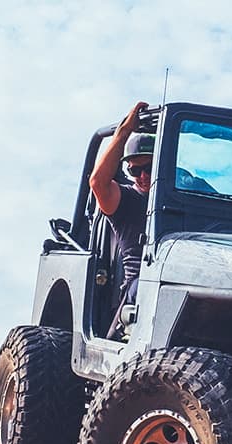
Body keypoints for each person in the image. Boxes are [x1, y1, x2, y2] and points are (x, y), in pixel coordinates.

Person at [89, 101, 153, 310]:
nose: (142, 176)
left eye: (149, 168)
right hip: (140, 287)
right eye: (135, 171)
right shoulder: (125, 200)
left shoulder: (185, 195)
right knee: (151, 289)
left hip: (186, 277)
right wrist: (124, 132)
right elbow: (98, 182)